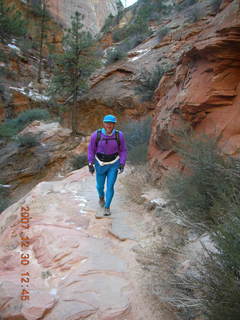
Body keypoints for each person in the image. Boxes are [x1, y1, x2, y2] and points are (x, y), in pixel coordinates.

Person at [88, 114, 127, 216]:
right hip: (100, 164)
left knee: (110, 186)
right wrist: (90, 163)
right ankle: (101, 197)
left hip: (113, 164)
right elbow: (91, 150)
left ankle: (107, 207)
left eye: (111, 123)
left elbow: (123, 150)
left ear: (114, 124)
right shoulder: (96, 135)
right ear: (103, 123)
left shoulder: (119, 135)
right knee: (100, 186)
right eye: (107, 123)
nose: (109, 125)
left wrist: (122, 163)